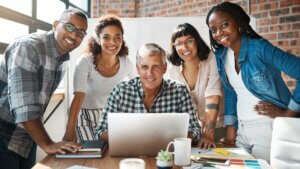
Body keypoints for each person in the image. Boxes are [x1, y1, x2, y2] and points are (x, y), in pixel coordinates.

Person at [206, 1, 300, 161]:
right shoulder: (222, 56)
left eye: (224, 25)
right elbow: (231, 92)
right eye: (213, 30)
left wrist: (288, 113)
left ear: (237, 22)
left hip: (267, 128)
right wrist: (231, 128)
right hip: (242, 130)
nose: (219, 33)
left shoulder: (259, 48)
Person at [0, 8, 88, 169]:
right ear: (55, 25)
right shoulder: (29, 46)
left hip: (27, 137)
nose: (74, 35)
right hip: (3, 134)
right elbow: (24, 105)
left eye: (81, 33)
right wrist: (47, 144)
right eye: (69, 27)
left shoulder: (63, 58)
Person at [95, 43, 201, 145]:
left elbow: (195, 130)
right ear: (137, 69)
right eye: (144, 67)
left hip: (168, 156)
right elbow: (100, 131)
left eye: (155, 67)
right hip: (129, 157)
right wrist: (133, 140)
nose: (150, 73)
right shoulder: (121, 91)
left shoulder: (179, 91)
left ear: (164, 68)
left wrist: (168, 140)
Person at [63, 15, 136, 142]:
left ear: (122, 39)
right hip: (84, 115)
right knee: (92, 153)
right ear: (98, 39)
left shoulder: (126, 64)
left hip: (111, 117)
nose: (112, 42)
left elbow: (140, 90)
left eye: (117, 37)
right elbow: (78, 96)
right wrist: (69, 131)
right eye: (106, 37)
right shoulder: (86, 61)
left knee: (110, 154)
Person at [168, 23, 225, 149]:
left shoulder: (211, 59)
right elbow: (179, 105)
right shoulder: (174, 69)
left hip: (219, 127)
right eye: (178, 43)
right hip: (196, 131)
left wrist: (208, 135)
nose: (184, 47)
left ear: (197, 41)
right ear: (174, 47)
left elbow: (213, 96)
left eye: (189, 40)